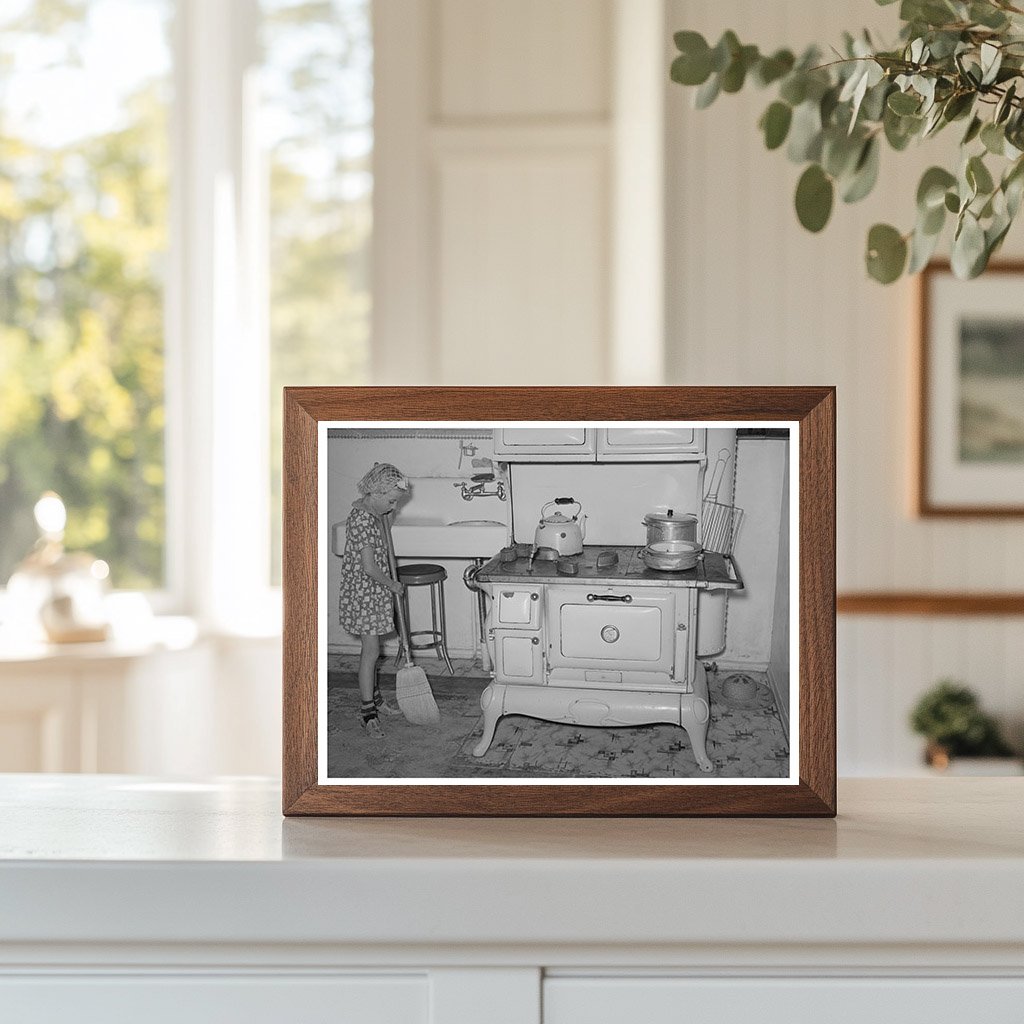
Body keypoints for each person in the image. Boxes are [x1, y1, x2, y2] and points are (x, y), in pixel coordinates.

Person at [338, 462, 409, 738]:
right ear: (376, 493)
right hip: (365, 593)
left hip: (372, 592)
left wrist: (388, 513)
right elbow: (369, 567)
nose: (393, 506)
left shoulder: (373, 510)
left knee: (374, 650)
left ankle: (376, 699)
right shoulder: (362, 519)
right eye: (391, 500)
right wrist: (393, 584)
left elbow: (384, 530)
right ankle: (368, 712)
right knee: (371, 653)